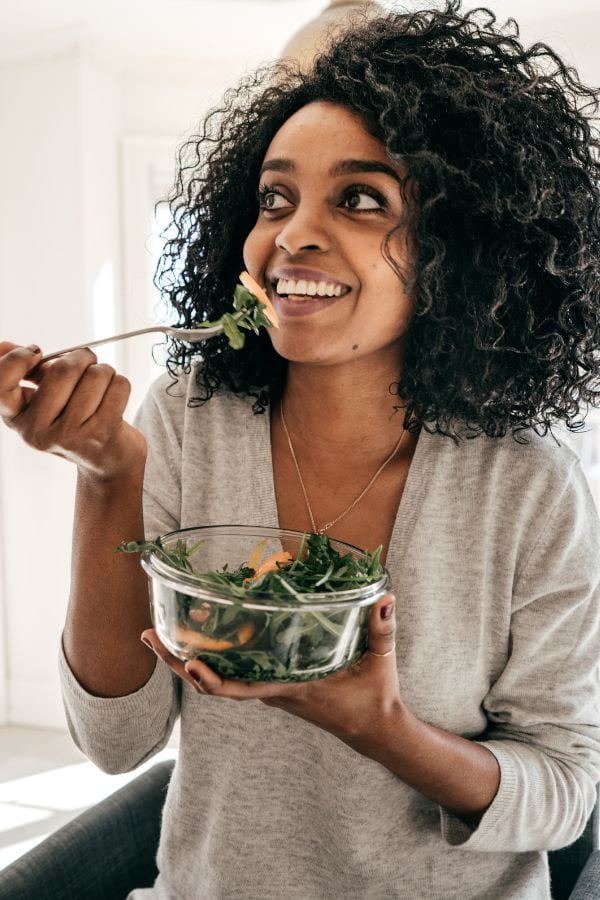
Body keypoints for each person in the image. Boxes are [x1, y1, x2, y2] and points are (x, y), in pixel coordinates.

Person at [1, 2, 600, 897]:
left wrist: (380, 726)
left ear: (459, 251)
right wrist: (109, 472)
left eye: (361, 198)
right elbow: (115, 744)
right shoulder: (188, 420)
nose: (291, 235)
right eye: (275, 197)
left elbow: (562, 797)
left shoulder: (528, 485)